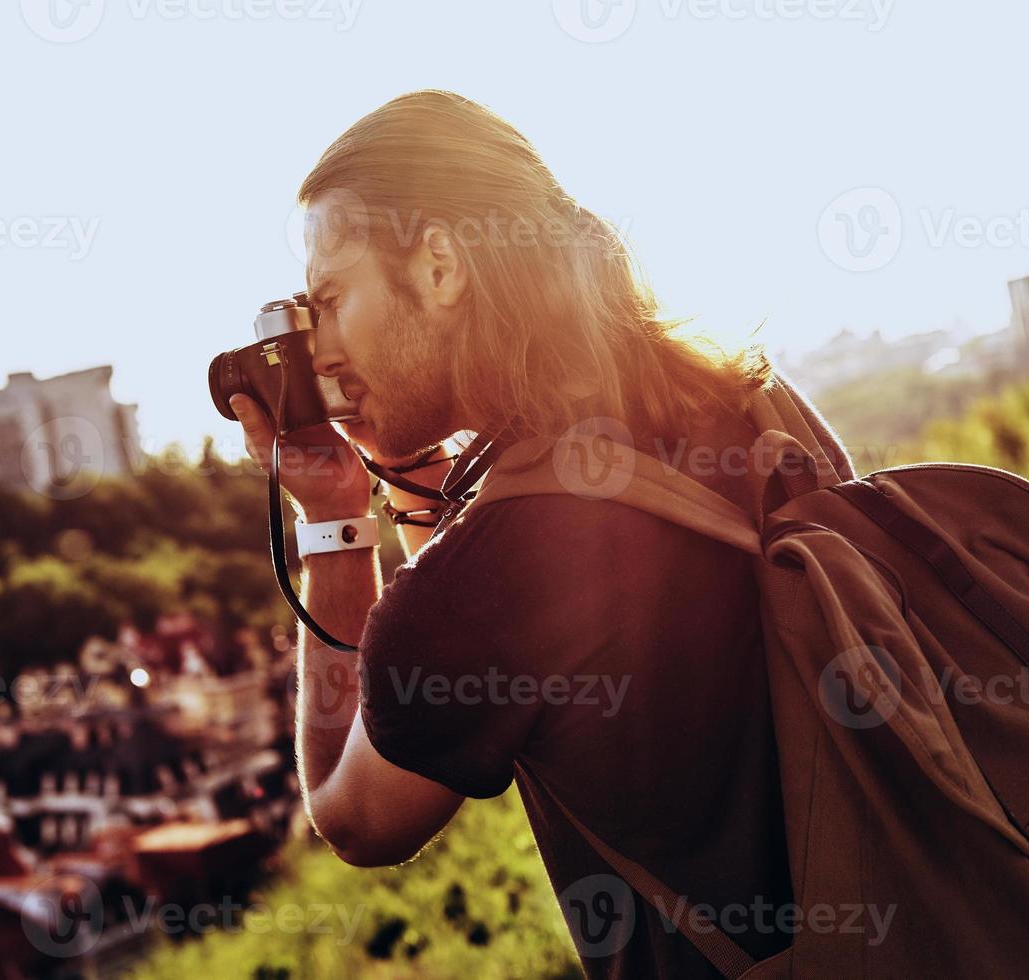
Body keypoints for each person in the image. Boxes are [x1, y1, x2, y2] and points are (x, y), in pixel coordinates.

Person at [230, 89, 853, 978]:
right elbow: (491, 618)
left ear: (439, 266)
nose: (317, 350)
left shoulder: (483, 584)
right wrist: (395, 462)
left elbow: (353, 817)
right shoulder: (741, 394)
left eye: (328, 299)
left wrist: (332, 523)